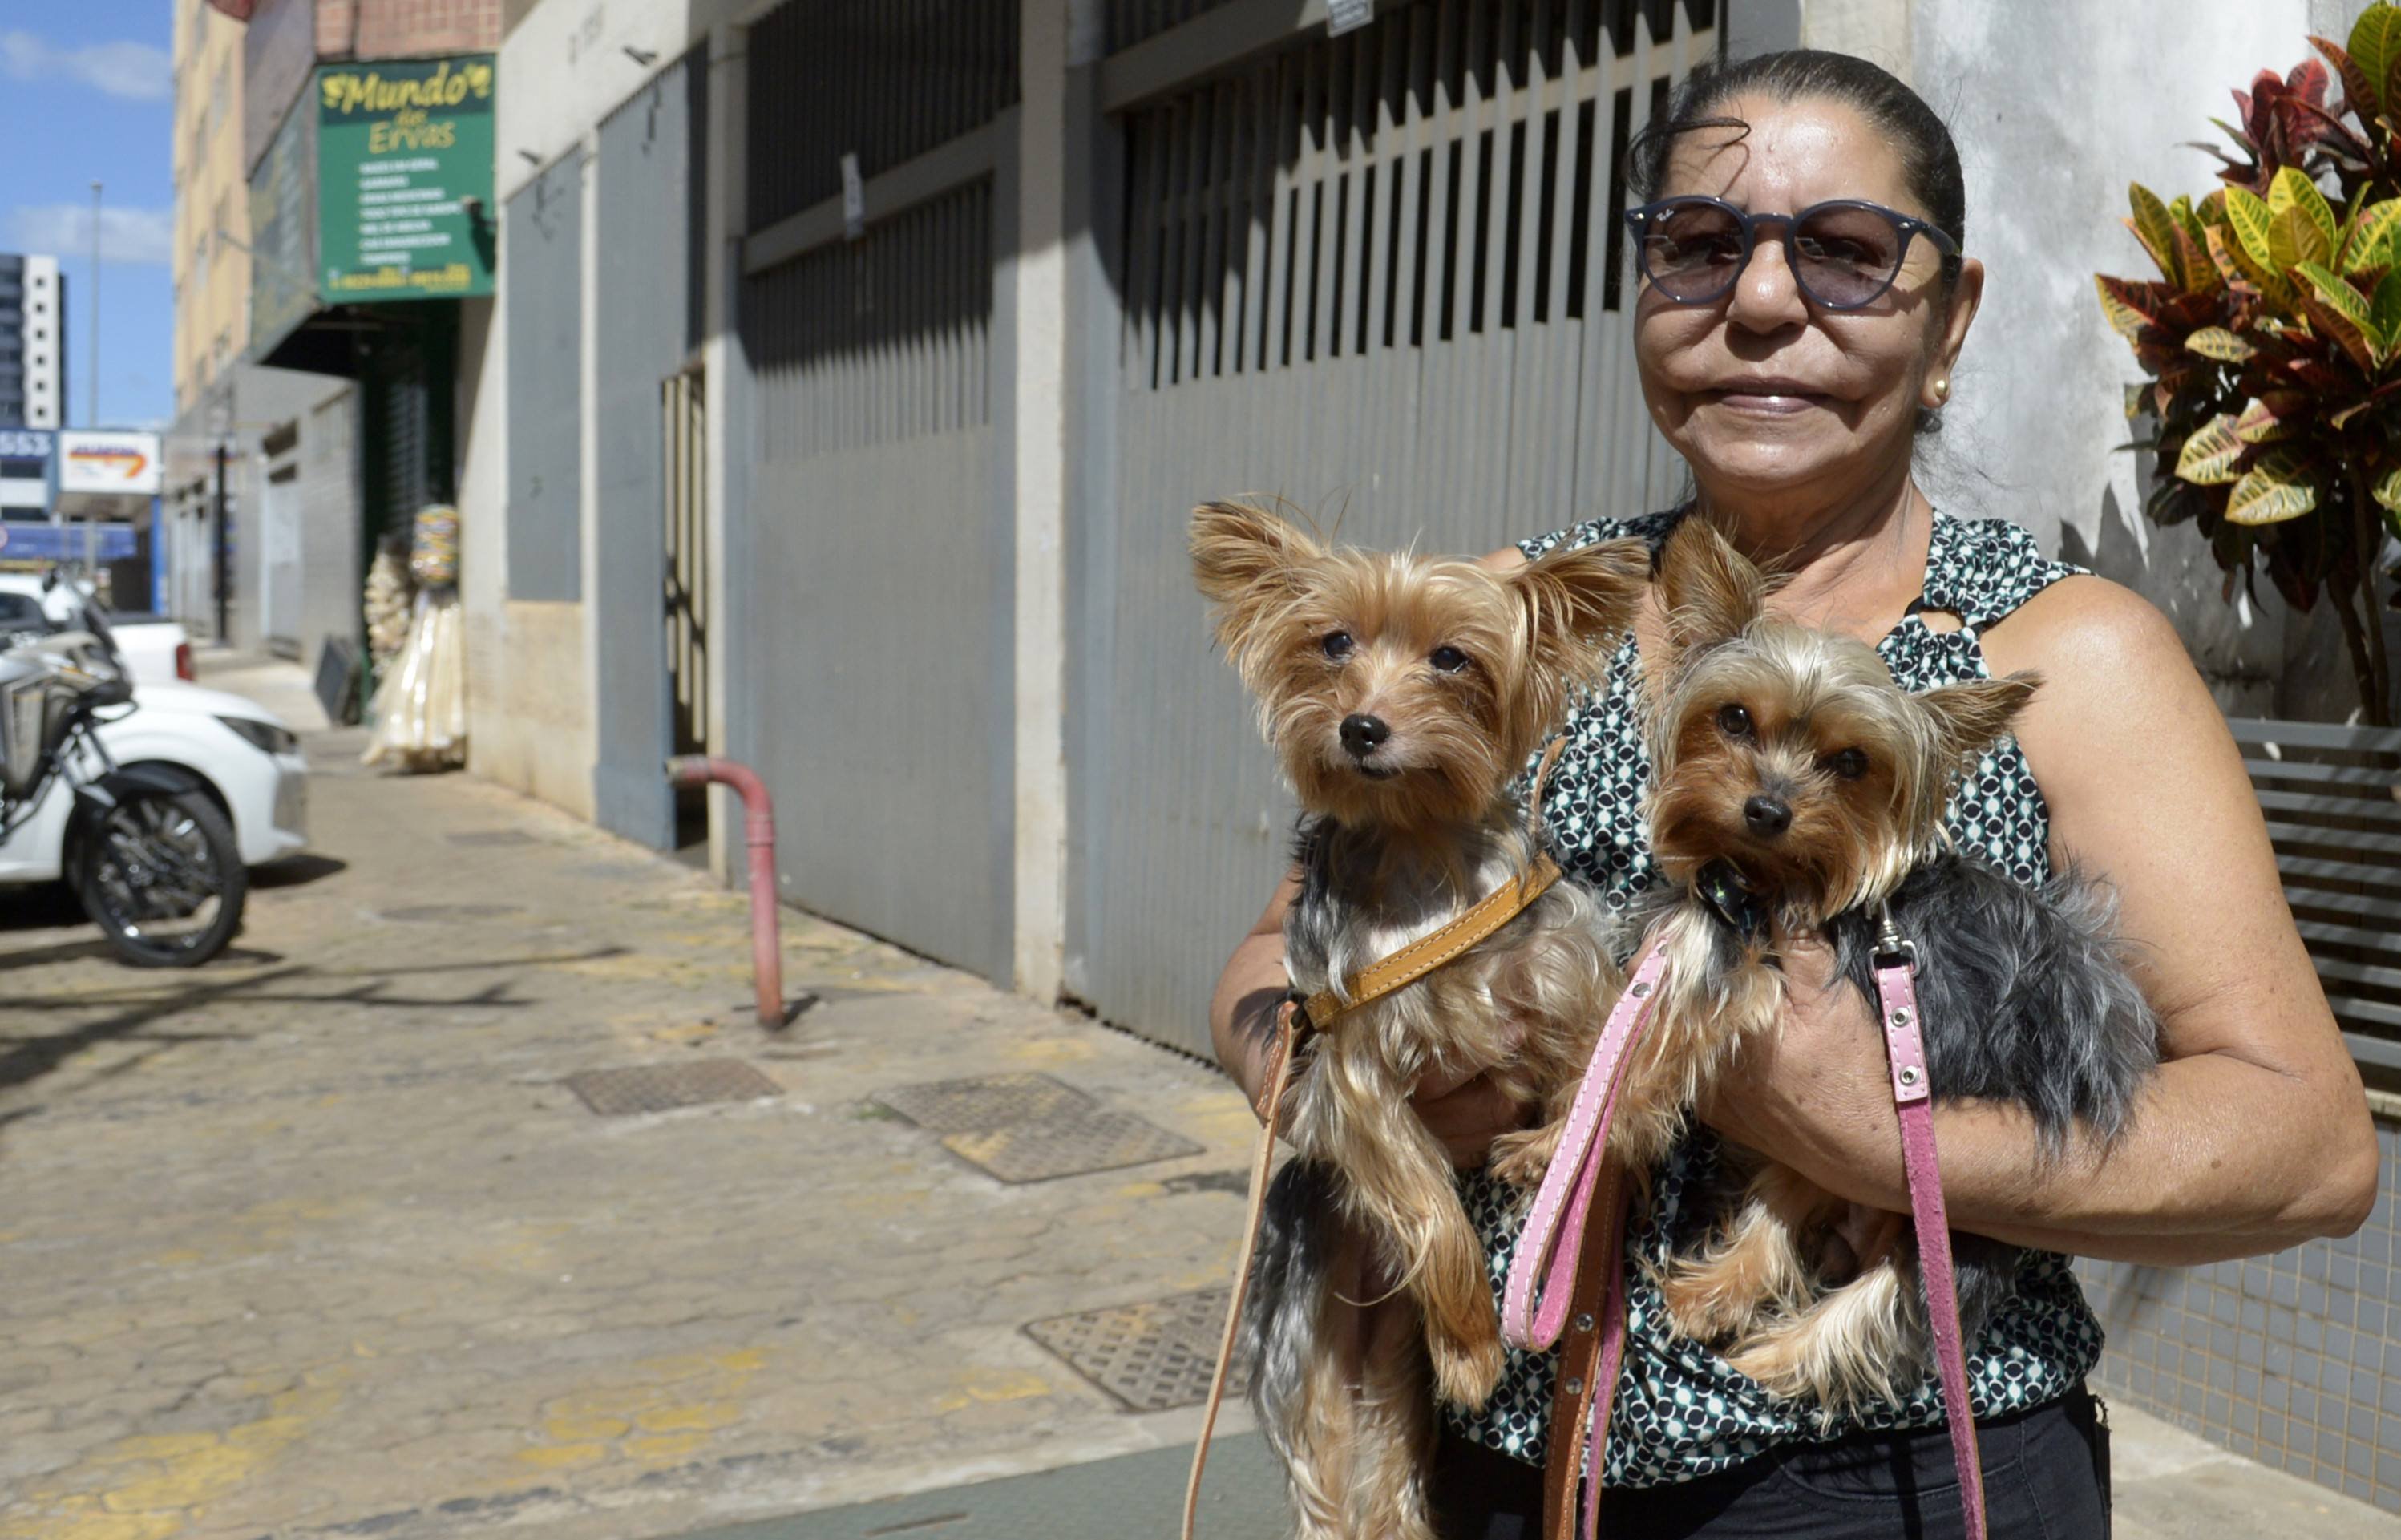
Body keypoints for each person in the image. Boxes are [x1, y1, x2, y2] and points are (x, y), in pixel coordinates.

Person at [1207, 48, 2379, 1539]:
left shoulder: (2066, 656)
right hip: (1504, 1473)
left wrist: (1884, 1141)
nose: (1761, 301)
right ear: (1644, 300)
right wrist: (1352, 1082)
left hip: (1894, 1482)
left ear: (1949, 320)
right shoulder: (1511, 623)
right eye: (1699, 247)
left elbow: (2312, 1146)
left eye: (1844, 251)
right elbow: (1271, 962)